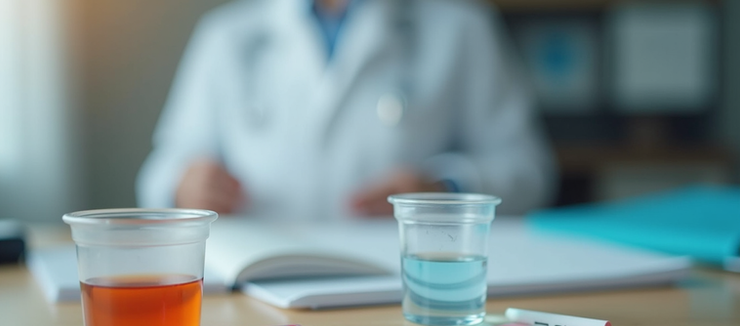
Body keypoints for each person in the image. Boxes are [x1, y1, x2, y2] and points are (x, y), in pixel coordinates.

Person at [137, 0, 556, 219]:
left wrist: (442, 190)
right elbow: (160, 170)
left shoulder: (463, 27)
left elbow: (528, 171)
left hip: (400, 286)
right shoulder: (226, 35)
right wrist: (185, 185)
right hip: (252, 288)